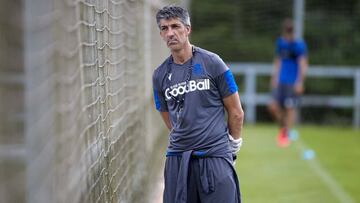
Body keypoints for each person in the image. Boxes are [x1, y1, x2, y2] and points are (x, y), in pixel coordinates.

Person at [152, 5, 244, 203]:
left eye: (175, 26)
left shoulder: (213, 63)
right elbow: (169, 119)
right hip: (178, 161)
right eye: (164, 28)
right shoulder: (159, 75)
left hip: (214, 157)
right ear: (160, 34)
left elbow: (236, 112)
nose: (170, 33)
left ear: (188, 29)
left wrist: (232, 148)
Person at [268, 18, 308, 147]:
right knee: (272, 107)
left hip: (292, 82)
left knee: (290, 108)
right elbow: (278, 61)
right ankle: (284, 128)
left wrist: (300, 82)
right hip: (280, 81)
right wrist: (274, 77)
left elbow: (302, 64)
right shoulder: (280, 43)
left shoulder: (299, 45)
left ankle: (285, 134)